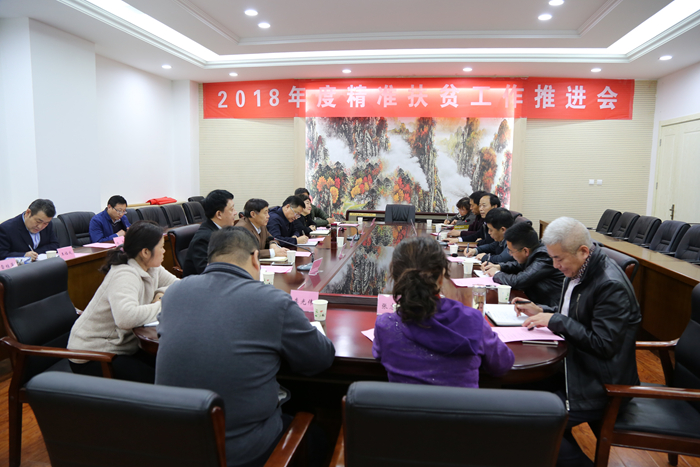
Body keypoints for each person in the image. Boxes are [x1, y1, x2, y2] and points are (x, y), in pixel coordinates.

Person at [155, 227, 335, 467]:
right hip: (240, 453)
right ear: (255, 258)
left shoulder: (175, 292)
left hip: (173, 446)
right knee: (320, 437)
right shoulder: (272, 301)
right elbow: (321, 358)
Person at [517, 217, 641, 467]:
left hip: (601, 385)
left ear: (583, 251)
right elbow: (575, 314)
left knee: (531, 423)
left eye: (558, 259)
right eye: (552, 258)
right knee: (520, 394)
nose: (555, 265)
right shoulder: (579, 270)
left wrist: (556, 321)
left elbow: (603, 344)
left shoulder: (610, 285)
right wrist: (541, 310)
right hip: (576, 368)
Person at [373, 236, 514, 388]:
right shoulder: (472, 320)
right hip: (463, 404)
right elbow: (503, 363)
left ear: (396, 277)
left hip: (406, 404)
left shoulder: (386, 326)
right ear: (441, 277)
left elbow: (379, 354)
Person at [67, 220, 178, 383]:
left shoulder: (152, 267)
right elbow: (126, 318)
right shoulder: (125, 274)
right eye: (161, 247)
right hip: (94, 354)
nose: (164, 251)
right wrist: (162, 304)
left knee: (171, 367)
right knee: (158, 380)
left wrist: (160, 293)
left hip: (123, 346)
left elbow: (180, 286)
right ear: (145, 252)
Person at [483, 222, 565, 308]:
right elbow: (519, 265)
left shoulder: (544, 256)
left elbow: (518, 281)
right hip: (534, 302)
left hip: (549, 308)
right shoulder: (535, 251)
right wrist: (499, 267)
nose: (510, 254)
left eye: (511, 251)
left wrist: (496, 274)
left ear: (525, 251)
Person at [183, 189, 236, 277]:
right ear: (219, 214)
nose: (235, 212)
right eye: (231, 209)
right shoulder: (203, 239)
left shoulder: (223, 230)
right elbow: (207, 273)